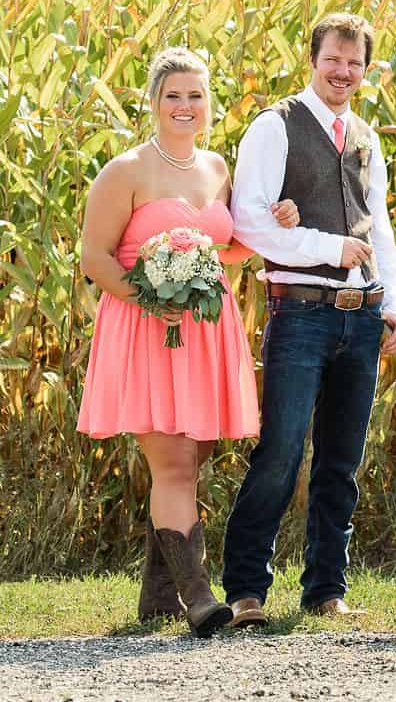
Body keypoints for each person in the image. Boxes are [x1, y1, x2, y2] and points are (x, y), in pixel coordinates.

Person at [76, 48, 295, 636]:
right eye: (173, 94)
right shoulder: (125, 171)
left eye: (195, 95)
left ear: (209, 104)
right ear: (152, 100)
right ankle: (198, 596)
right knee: (173, 461)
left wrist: (276, 223)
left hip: (204, 330)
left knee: (192, 457)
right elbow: (93, 257)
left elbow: (229, 247)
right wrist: (150, 297)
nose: (184, 105)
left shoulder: (218, 169)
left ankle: (155, 596)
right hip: (147, 328)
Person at [222, 13, 396, 625]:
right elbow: (248, 221)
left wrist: (394, 302)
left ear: (365, 69)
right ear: (313, 58)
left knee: (341, 460)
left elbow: (379, 226)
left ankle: (326, 589)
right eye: (334, 59)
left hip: (361, 316)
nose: (343, 72)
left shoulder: (365, 136)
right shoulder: (274, 126)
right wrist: (326, 247)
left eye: (355, 63)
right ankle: (247, 589)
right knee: (280, 450)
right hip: (301, 312)